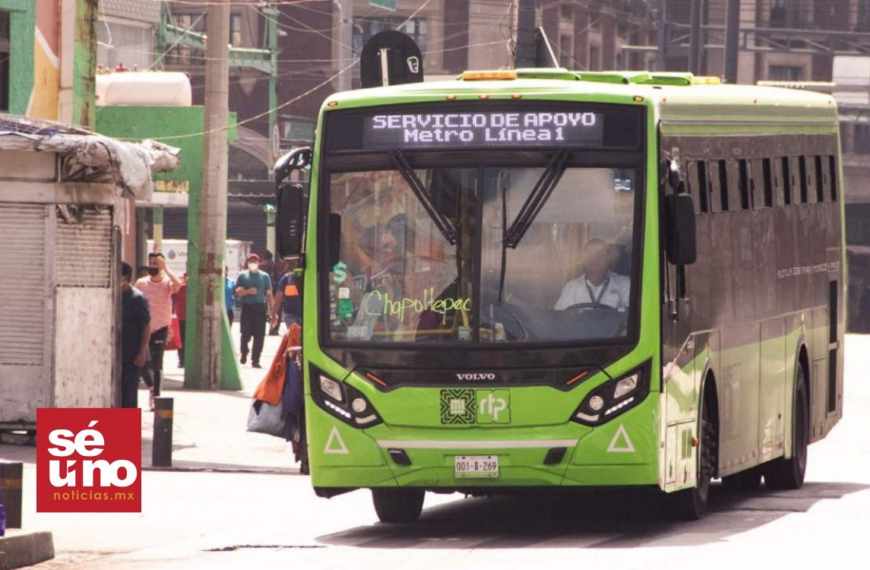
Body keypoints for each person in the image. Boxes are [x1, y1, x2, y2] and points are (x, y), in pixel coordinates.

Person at [136, 252, 182, 409]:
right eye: (150, 263)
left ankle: (156, 396)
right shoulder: (141, 283)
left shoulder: (167, 283)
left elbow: (178, 285)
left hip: (160, 328)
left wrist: (166, 268)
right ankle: (151, 386)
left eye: (156, 264)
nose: (152, 266)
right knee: (142, 362)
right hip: (143, 328)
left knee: (157, 363)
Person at [554, 238, 630, 311]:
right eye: (589, 255)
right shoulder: (571, 287)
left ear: (608, 258)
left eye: (600, 254)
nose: (594, 259)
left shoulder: (624, 284)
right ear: (584, 259)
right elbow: (560, 316)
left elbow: (628, 314)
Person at [235, 253, 274, 368]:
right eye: (250, 261)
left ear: (259, 263)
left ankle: (255, 360)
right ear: (247, 263)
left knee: (259, 336)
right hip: (247, 308)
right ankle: (244, 352)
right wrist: (247, 291)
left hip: (260, 308)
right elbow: (238, 292)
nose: (253, 263)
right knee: (245, 333)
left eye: (255, 261)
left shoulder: (264, 276)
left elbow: (269, 293)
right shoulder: (243, 276)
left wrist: (272, 310)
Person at [120, 262, 150, 408]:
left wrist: (142, 352)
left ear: (125, 278)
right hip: (117, 353)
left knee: (129, 392)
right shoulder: (113, 296)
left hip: (132, 354)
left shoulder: (137, 298)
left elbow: (146, 326)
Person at [271, 260, 303, 332]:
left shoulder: (310, 278)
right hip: (290, 315)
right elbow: (278, 297)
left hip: (307, 315)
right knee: (295, 334)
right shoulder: (286, 279)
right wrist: (274, 313)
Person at [174, 274, 188, 367]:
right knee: (181, 340)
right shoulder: (180, 281)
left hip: (192, 317)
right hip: (181, 317)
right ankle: (181, 360)